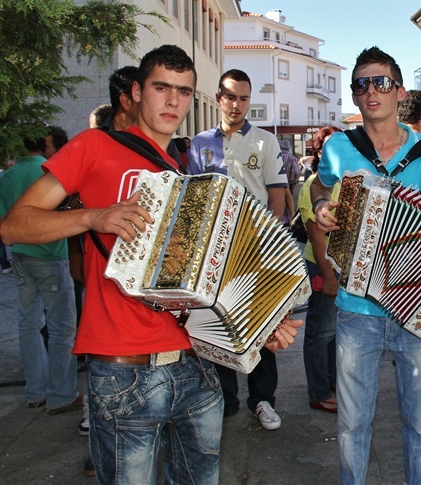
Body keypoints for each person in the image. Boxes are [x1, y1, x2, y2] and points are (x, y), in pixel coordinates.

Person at [1, 45, 301, 483]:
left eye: (183, 91)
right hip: (124, 368)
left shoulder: (181, 172)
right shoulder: (95, 146)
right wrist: (94, 216)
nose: (173, 100)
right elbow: (14, 225)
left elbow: (207, 281)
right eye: (162, 87)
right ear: (137, 92)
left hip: (194, 364)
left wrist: (261, 323)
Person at [310, 46, 421, 485]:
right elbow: (318, 188)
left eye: (380, 82)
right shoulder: (339, 147)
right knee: (351, 425)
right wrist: (323, 204)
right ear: (355, 95)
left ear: (399, 92)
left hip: (416, 310)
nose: (371, 91)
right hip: (356, 307)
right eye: (362, 84)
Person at [188, 68, 292, 431]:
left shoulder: (265, 141)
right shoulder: (200, 143)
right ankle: (225, 399)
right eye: (230, 97)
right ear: (218, 98)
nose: (237, 104)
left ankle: (262, 399)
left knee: (260, 324)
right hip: (215, 257)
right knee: (218, 324)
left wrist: (268, 245)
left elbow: (277, 199)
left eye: (244, 98)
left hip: (255, 251)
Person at [0, 135, 79, 414]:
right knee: (61, 327)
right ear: (46, 146)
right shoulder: (49, 172)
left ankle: (35, 391)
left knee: (28, 323)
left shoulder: (8, 175)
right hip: (50, 256)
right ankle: (61, 394)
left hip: (20, 255)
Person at [297, 125, 339, 413]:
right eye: (326, 146)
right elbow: (316, 235)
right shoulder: (312, 184)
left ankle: (331, 383)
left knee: (335, 331)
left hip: (342, 266)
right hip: (322, 265)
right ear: (318, 151)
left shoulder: (345, 181)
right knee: (320, 331)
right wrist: (327, 275)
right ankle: (319, 391)